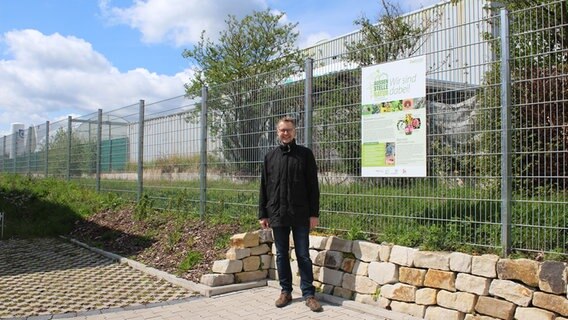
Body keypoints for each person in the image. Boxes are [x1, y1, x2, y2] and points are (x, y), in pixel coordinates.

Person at [258, 116, 322, 312]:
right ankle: (285, 291)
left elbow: (313, 186)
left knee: (303, 255)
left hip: (301, 213)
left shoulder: (305, 154)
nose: (285, 133)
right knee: (281, 255)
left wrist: (314, 214)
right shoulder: (270, 157)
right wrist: (263, 214)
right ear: (277, 132)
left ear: (295, 132)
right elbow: (264, 187)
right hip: (277, 213)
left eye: (289, 130)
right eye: (282, 130)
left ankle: (309, 294)